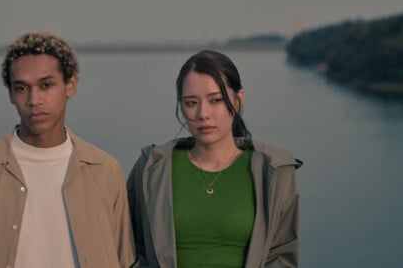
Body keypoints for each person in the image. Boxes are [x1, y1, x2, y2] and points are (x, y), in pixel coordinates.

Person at [0, 31, 136, 268]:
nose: (34, 100)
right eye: (21, 88)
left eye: (46, 85)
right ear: (10, 94)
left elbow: (126, 260)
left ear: (70, 85)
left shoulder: (105, 171)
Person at [127, 50, 302, 268]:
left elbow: (282, 255)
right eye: (191, 103)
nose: (203, 114)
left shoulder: (275, 170)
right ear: (181, 106)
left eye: (216, 100)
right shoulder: (151, 169)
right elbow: (131, 250)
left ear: (237, 101)